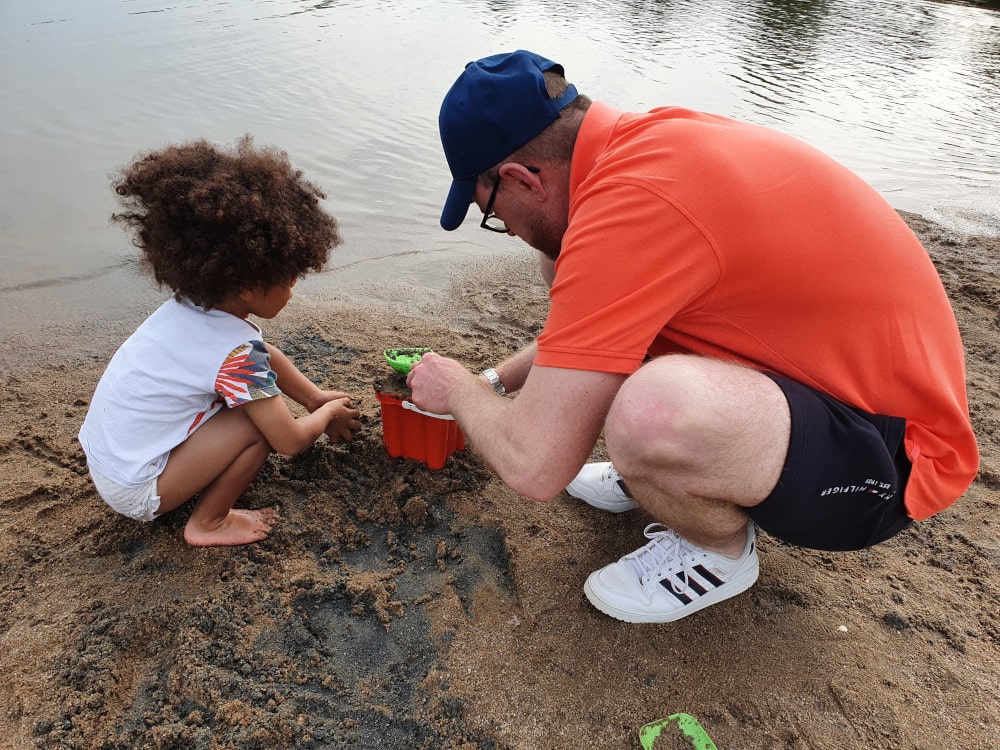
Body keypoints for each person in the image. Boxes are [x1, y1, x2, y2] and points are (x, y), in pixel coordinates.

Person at [406, 50, 979, 623]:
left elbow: (535, 467)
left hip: (892, 460)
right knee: (562, 264)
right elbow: (589, 328)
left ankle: (718, 551)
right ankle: (661, 476)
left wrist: (459, 391)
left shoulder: (633, 206)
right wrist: (494, 381)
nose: (508, 232)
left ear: (520, 178)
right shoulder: (646, 147)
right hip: (835, 392)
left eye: (495, 217)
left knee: (652, 411)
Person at [79, 136, 362, 547]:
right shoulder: (236, 353)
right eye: (289, 279)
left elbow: (264, 357)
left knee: (253, 397)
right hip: (138, 489)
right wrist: (326, 414)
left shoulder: (188, 307)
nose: (293, 290)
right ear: (249, 287)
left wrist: (314, 396)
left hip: (109, 460)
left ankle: (194, 497)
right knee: (259, 426)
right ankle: (207, 522)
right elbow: (289, 441)